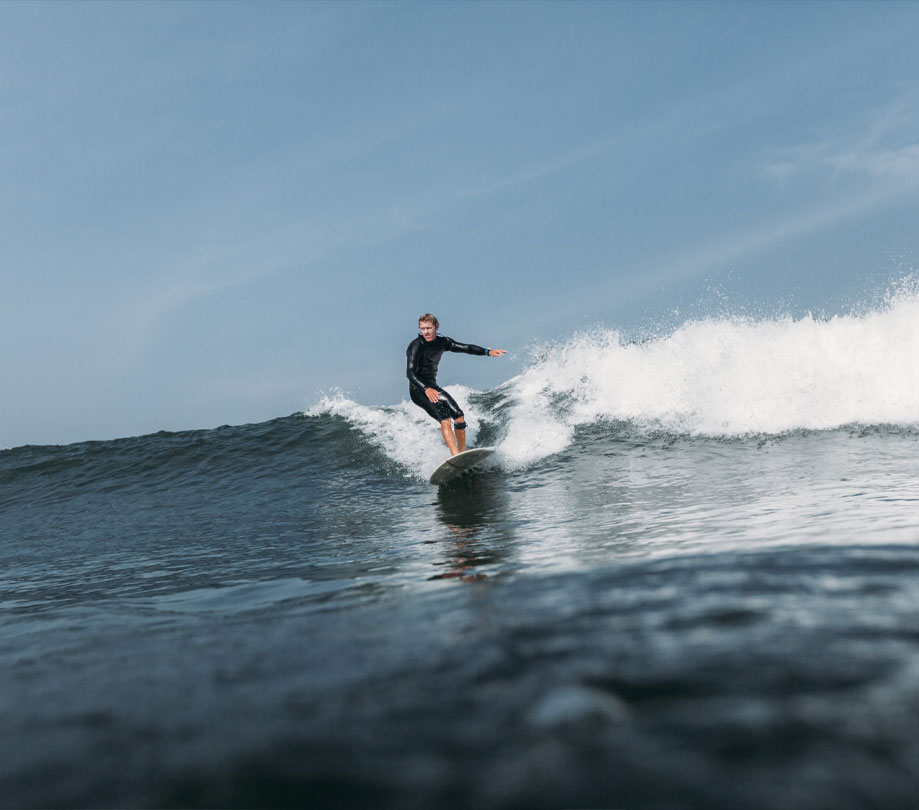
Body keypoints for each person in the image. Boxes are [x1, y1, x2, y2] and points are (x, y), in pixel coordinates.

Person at [406, 313, 507, 456]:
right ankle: (455, 455)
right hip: (418, 390)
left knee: (459, 416)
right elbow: (410, 373)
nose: (426, 332)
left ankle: (462, 454)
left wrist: (488, 352)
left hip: (432, 386)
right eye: (422, 329)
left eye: (428, 328)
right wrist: (425, 389)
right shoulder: (416, 346)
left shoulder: (443, 342)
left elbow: (465, 348)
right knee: (445, 418)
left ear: (436, 327)